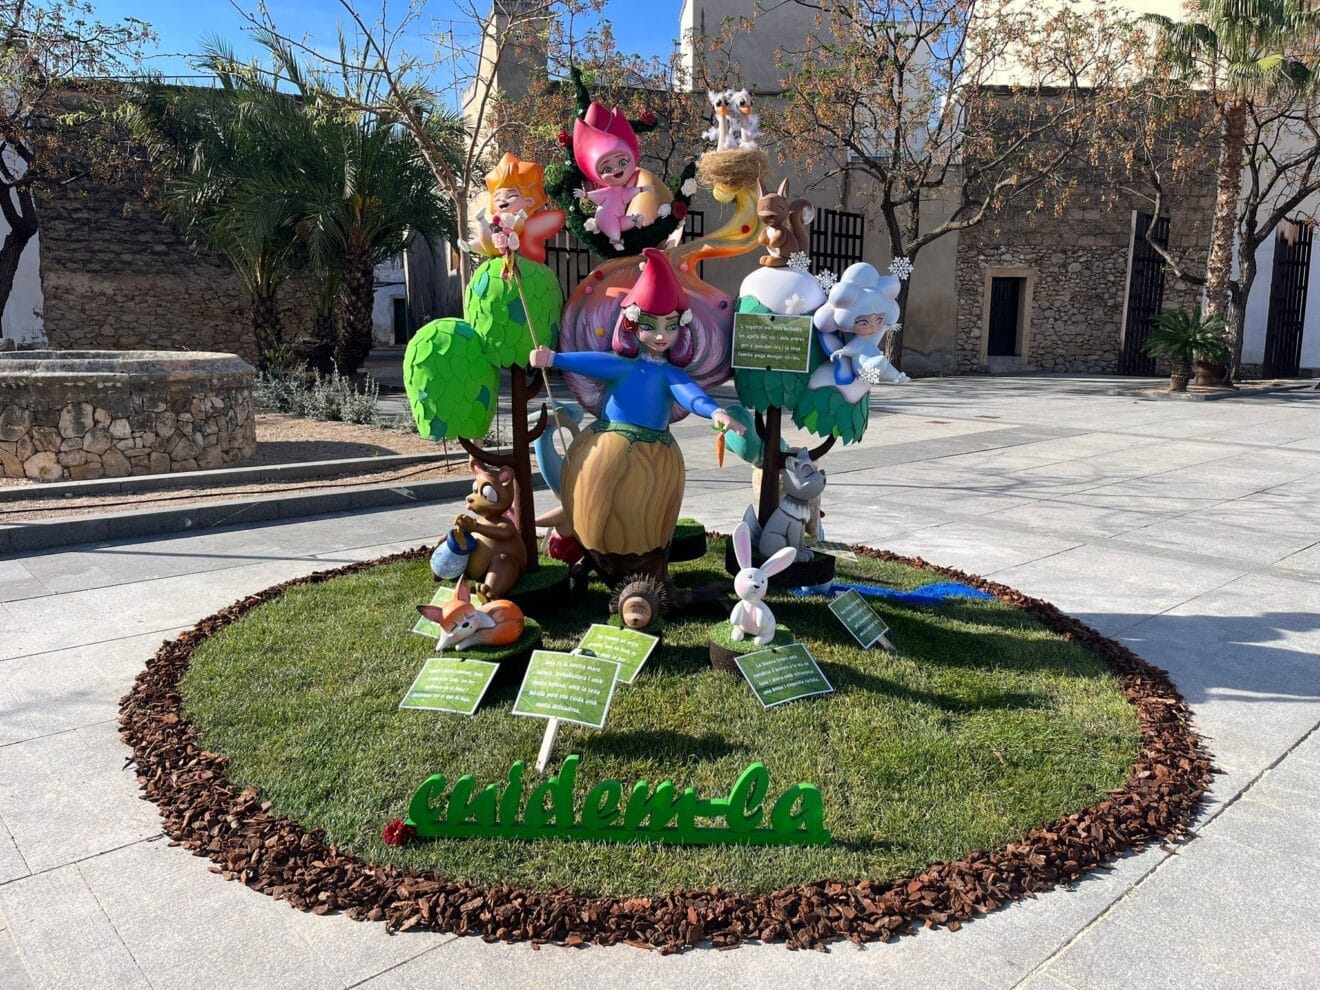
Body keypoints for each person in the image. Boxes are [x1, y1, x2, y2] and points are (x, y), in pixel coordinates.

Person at [529, 248, 744, 582]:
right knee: (598, 506)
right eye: (650, 325)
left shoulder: (670, 373)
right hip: (606, 446)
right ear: (632, 324)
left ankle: (643, 570)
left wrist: (714, 411)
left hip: (657, 455)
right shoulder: (623, 365)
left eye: (669, 325)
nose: (660, 335)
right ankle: (594, 559)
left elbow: (690, 394)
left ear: (680, 327)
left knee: (644, 515)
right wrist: (554, 358)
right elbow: (591, 361)